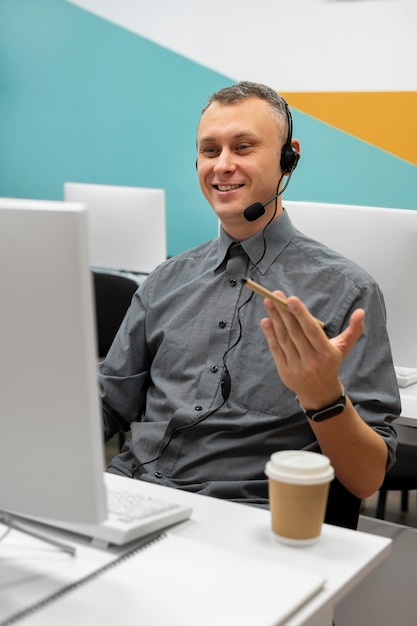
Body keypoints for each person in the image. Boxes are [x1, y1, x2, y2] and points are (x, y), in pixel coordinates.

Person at [100, 81, 399, 528]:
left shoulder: (346, 291)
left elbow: (366, 478)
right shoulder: (166, 281)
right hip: (128, 497)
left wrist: (323, 398)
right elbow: (109, 404)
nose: (222, 165)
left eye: (243, 147)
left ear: (287, 157)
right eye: (209, 150)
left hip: (244, 523)